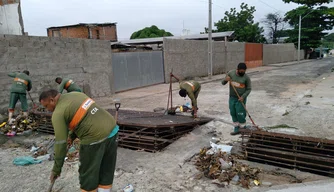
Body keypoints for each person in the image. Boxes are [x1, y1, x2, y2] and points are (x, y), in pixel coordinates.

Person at [39, 90, 118, 192]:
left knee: (88, 174)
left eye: (46, 106)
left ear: (52, 100)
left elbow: (60, 143)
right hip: (113, 130)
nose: (48, 110)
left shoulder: (58, 113)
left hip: (94, 139)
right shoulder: (76, 94)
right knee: (106, 168)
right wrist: (71, 137)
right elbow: (83, 116)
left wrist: (56, 169)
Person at [222, 63, 251, 135]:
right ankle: (236, 127)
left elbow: (248, 89)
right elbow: (223, 83)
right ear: (237, 69)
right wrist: (226, 79)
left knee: (240, 113)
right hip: (232, 97)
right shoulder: (231, 73)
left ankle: (243, 127)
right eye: (241, 71)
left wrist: (243, 97)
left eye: (244, 71)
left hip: (241, 98)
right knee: (233, 112)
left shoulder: (246, 78)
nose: (242, 73)